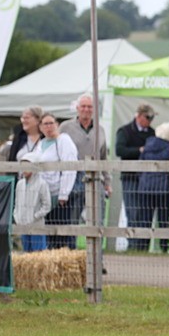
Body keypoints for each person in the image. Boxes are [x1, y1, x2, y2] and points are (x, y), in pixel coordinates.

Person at [59, 93, 111, 245]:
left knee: (97, 220)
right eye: (83, 106)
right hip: (73, 177)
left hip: (96, 176)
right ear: (77, 108)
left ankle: (97, 259)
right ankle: (71, 256)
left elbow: (103, 157)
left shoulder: (100, 129)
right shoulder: (66, 127)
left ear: (94, 109)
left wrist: (107, 182)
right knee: (72, 219)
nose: (86, 110)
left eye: (89, 107)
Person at [135, 122, 169, 253]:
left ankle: (142, 247)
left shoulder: (147, 147)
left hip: (145, 188)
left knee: (144, 220)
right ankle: (164, 247)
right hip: (163, 190)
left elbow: (139, 165)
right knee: (163, 220)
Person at [36, 113, 79, 249]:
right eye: (45, 124)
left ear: (57, 124)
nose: (49, 127)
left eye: (51, 123)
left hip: (59, 195)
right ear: (41, 127)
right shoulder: (40, 143)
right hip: (43, 195)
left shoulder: (63, 141)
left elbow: (70, 167)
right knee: (49, 233)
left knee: (61, 233)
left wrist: (64, 193)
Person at [115, 103, 157, 231]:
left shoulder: (152, 132)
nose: (150, 121)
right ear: (138, 116)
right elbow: (120, 150)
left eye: (152, 118)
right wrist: (139, 150)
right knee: (132, 211)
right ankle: (133, 244)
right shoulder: (125, 131)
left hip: (147, 178)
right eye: (148, 118)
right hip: (130, 177)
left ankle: (142, 245)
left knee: (145, 212)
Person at [14, 152, 51, 252]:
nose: (24, 170)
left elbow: (47, 205)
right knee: (26, 254)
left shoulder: (42, 184)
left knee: (38, 255)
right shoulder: (20, 184)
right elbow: (17, 203)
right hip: (23, 225)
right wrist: (17, 216)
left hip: (36, 226)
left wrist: (35, 216)